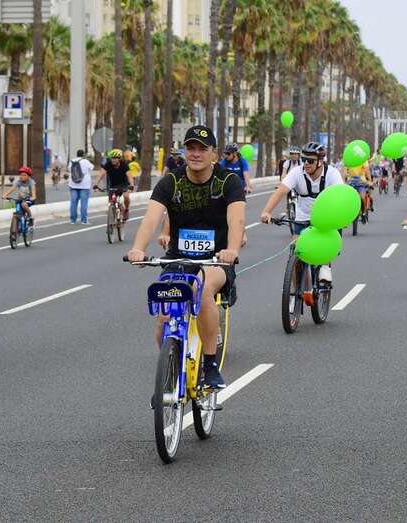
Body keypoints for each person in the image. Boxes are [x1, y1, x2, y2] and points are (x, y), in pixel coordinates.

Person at [127, 125, 244, 390]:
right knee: (163, 318)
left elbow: (236, 220)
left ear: (213, 153)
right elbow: (151, 218)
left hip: (215, 261)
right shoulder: (172, 181)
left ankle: (210, 365)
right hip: (177, 259)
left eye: (202, 149)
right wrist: (138, 248)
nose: (196, 153)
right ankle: (171, 364)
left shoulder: (228, 181)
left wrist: (232, 250)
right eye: (191, 148)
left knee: (200, 289)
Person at [259, 142, 344, 282]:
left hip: (326, 218)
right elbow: (281, 191)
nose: (306, 163)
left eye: (310, 161)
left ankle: (325, 267)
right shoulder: (297, 172)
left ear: (320, 162)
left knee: (324, 251)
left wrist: (338, 218)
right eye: (304, 159)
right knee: (296, 253)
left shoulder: (332, 174)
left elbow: (341, 197)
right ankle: (295, 295)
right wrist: (266, 212)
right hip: (302, 216)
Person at [94, 149, 133, 221]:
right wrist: (96, 184)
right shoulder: (108, 164)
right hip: (113, 185)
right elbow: (101, 174)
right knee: (112, 200)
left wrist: (131, 185)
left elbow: (129, 176)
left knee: (126, 196)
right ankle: (113, 216)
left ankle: (126, 210)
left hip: (124, 184)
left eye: (115, 158)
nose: (113, 160)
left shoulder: (124, 165)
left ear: (119, 159)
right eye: (112, 158)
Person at [68, 149, 94, 225]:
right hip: (84, 185)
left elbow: (69, 169)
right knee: (84, 203)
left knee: (73, 203)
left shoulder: (72, 161)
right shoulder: (86, 161)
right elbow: (92, 167)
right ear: (83, 155)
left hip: (73, 184)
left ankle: (73, 220)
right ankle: (83, 220)